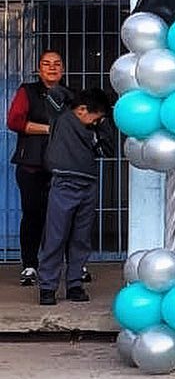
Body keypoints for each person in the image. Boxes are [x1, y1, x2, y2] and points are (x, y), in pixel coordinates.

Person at [36, 88, 115, 306]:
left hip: (87, 186)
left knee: (81, 239)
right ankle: (47, 287)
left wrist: (102, 123)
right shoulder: (61, 118)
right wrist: (78, 99)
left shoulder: (93, 131)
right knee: (55, 237)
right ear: (81, 110)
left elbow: (107, 150)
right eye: (95, 116)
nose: (95, 121)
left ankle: (74, 284)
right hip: (63, 185)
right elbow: (54, 93)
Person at [6, 49, 73, 285]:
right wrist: (48, 129)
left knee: (65, 218)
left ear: (63, 69)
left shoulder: (70, 95)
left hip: (63, 167)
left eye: (57, 63)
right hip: (31, 166)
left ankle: (72, 267)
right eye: (47, 64)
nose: (52, 68)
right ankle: (30, 266)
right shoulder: (27, 91)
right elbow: (14, 121)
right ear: (39, 68)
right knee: (33, 216)